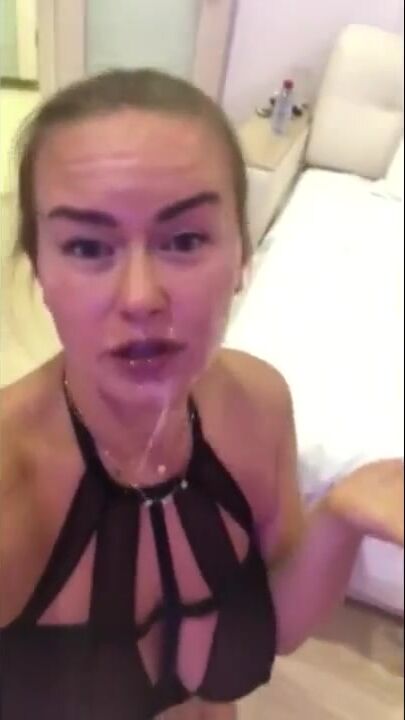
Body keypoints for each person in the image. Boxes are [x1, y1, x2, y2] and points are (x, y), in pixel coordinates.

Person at [0, 69, 403, 720]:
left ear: (242, 255)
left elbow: (272, 627)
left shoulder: (260, 405)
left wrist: (342, 519)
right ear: (40, 269)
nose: (140, 298)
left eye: (185, 240)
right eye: (87, 246)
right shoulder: (10, 483)